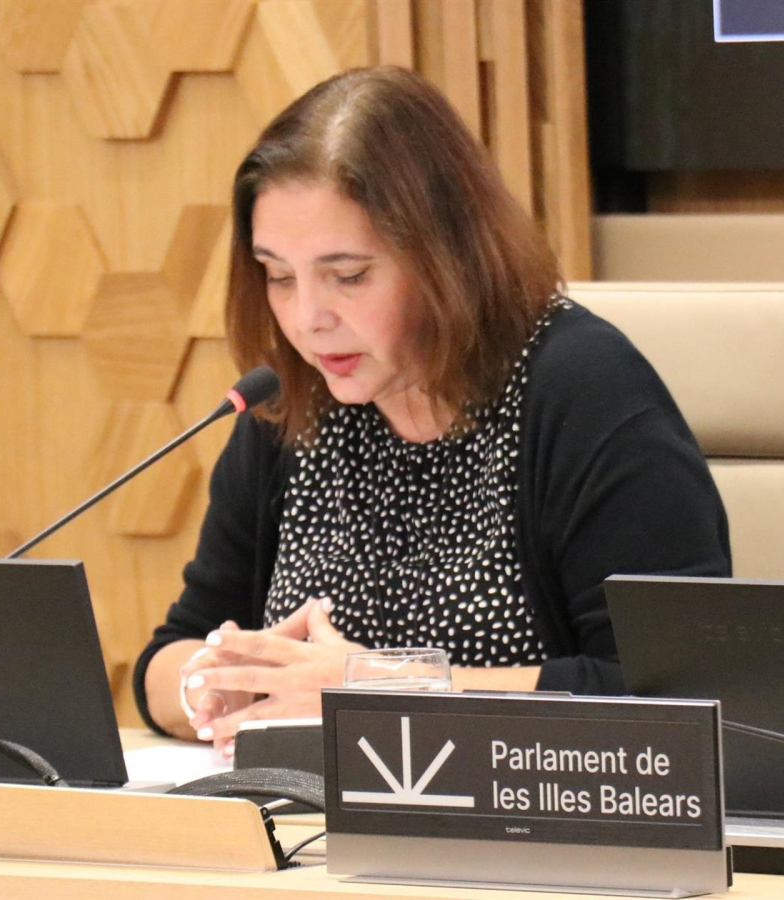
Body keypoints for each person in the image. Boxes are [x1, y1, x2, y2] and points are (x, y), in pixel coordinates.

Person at [133, 66, 730, 758]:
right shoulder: (292, 404)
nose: (307, 319)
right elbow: (170, 654)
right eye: (279, 275)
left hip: (529, 810)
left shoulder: (582, 391)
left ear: (445, 257)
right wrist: (212, 687)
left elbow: (669, 697)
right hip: (310, 818)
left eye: (348, 276)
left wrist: (378, 690)